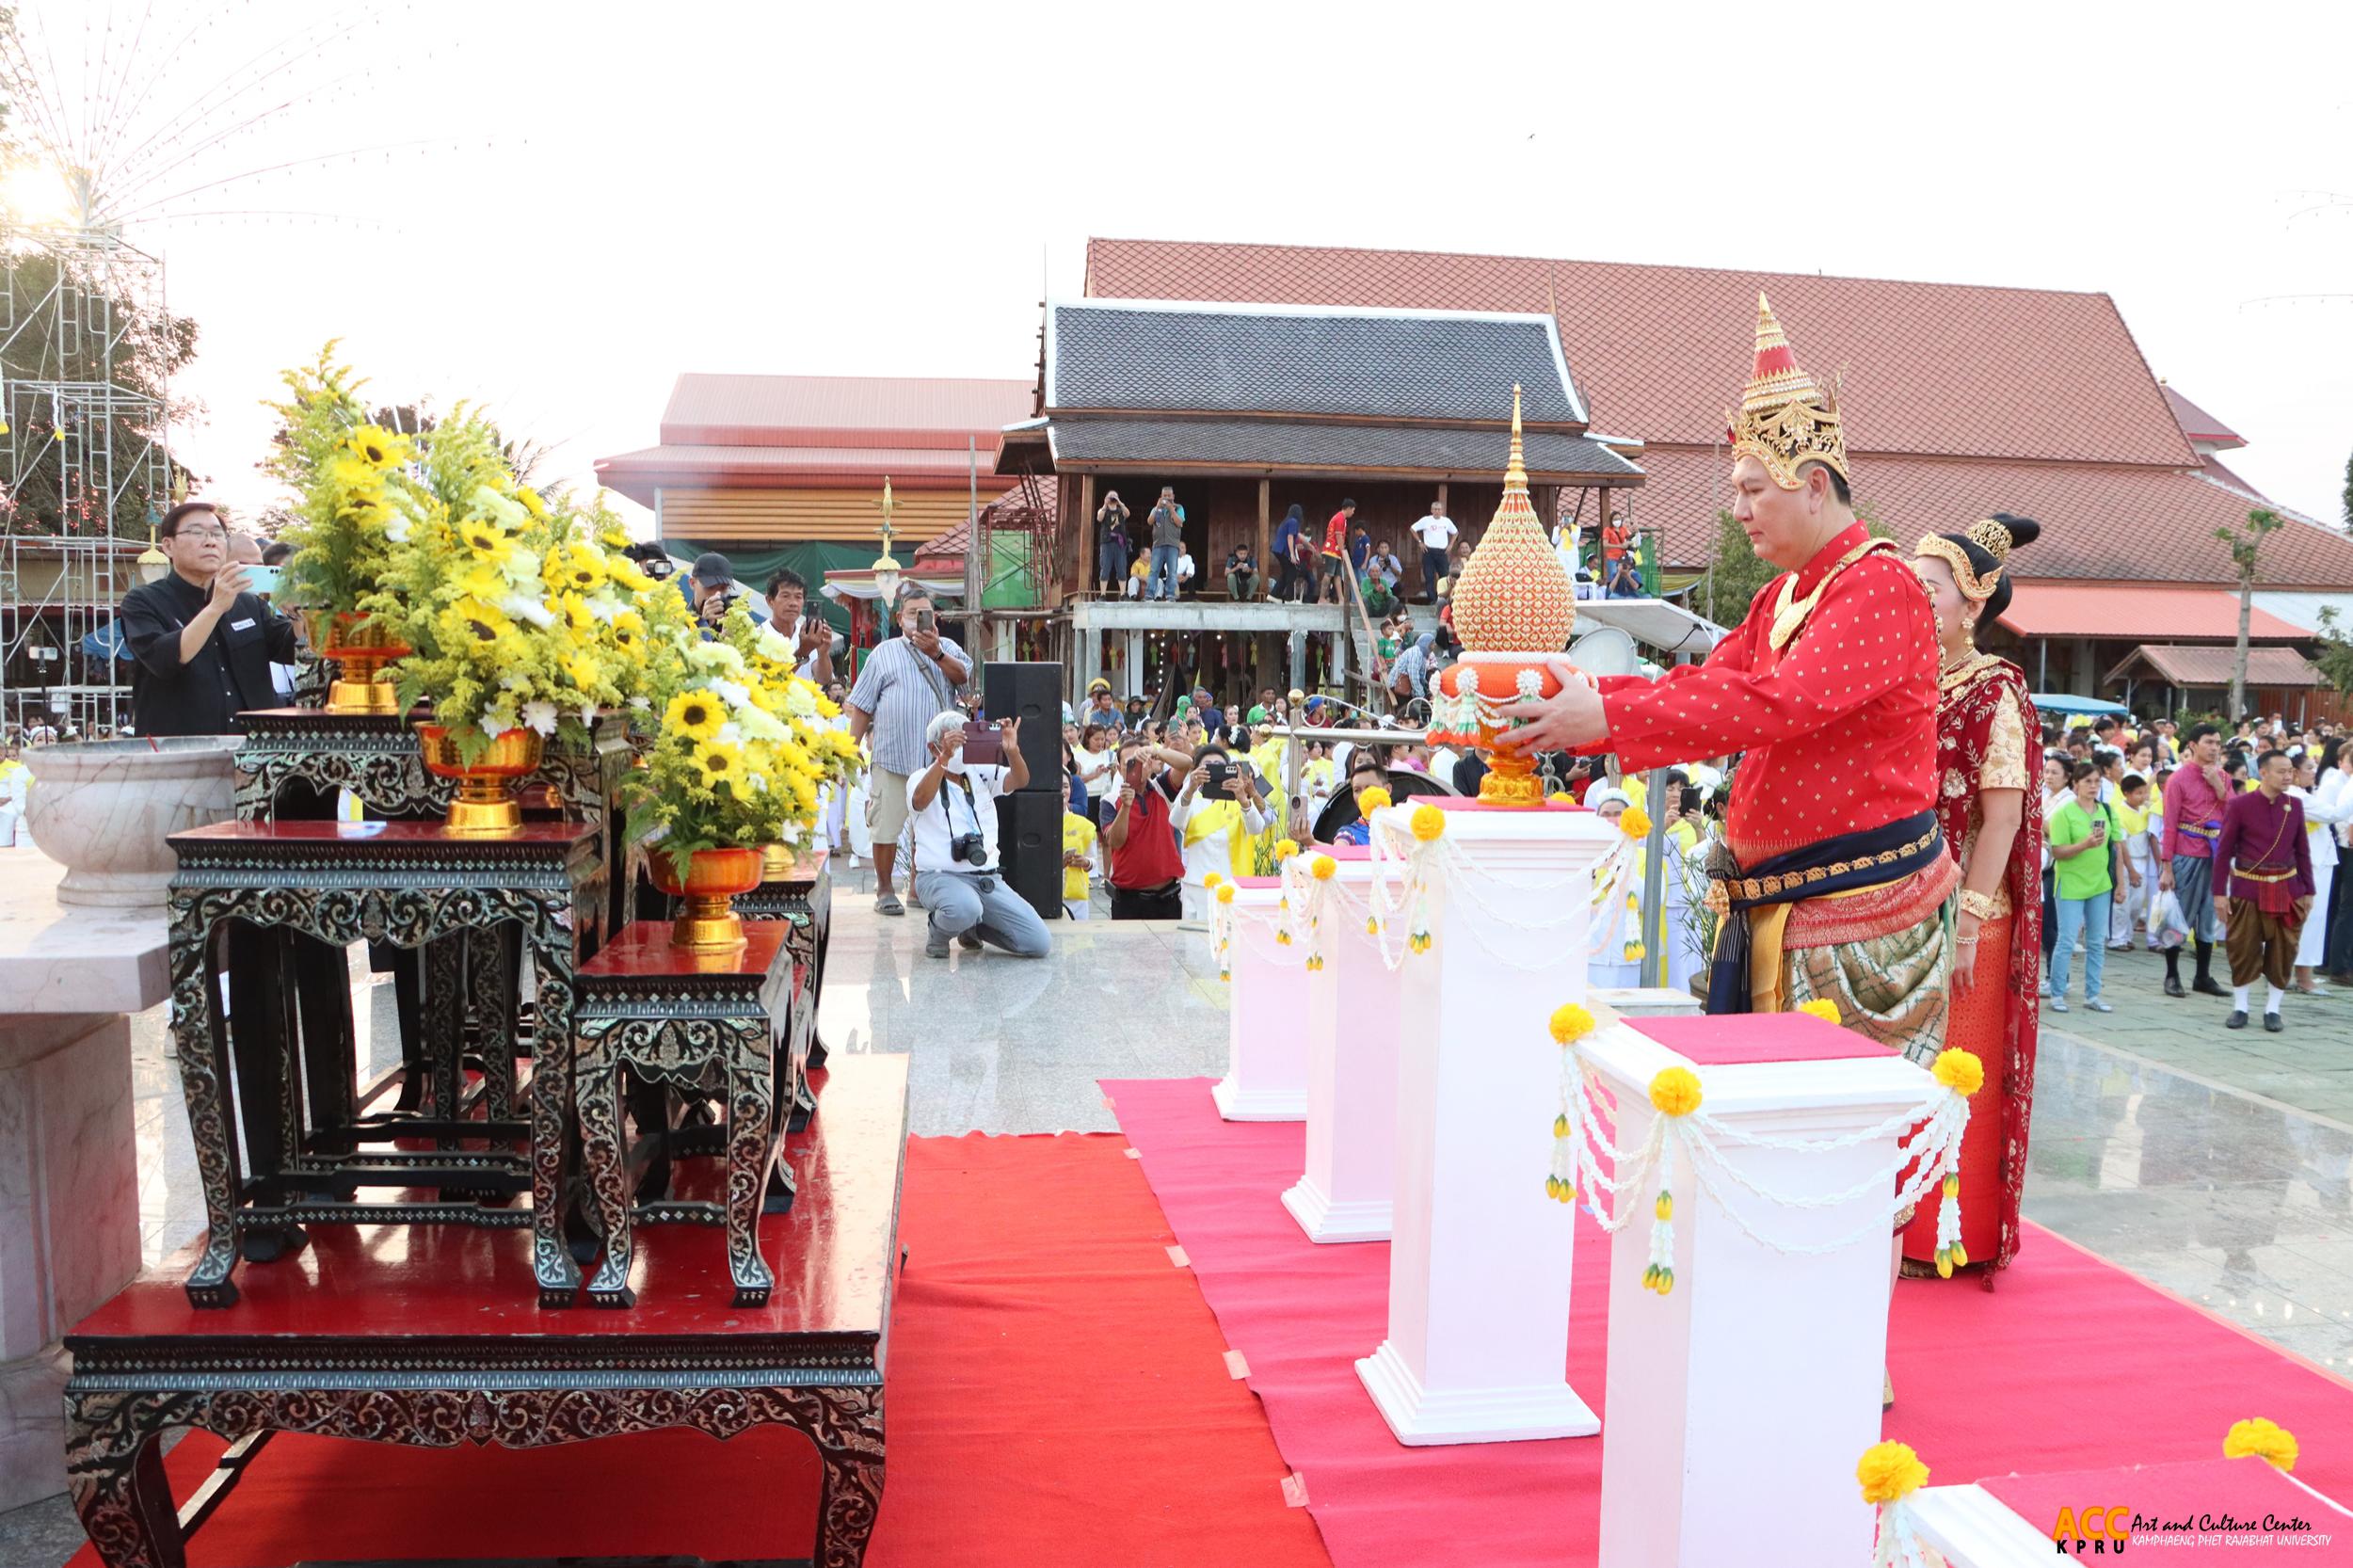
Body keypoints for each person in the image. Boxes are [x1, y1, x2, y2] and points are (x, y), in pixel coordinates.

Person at [1502, 296, 1955, 1060]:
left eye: (1752, 489)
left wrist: (1606, 719)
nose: (1739, 510)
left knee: (1825, 1141)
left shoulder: (1878, 585)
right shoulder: (1782, 593)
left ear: (1814, 484)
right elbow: (1711, 685)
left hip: (1851, 916)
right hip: (1777, 902)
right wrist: (1588, 698)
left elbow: (1779, 702)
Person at [1905, 513, 2044, 1279]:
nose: (1917, 601)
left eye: (1931, 590)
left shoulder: (1996, 690)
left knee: (1956, 1075)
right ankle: (1899, 1225)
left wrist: (1965, 922)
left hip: (1970, 915)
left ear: (1973, 606)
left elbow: (2003, 817)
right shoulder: (1909, 679)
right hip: (1906, 902)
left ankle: (1950, 1235)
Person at [119, 501, 300, 736]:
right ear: (168, 546)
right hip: (180, 754)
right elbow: (165, 659)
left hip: (252, 751)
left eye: (217, 534)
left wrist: (297, 612)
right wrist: (216, 607)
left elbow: (293, 650)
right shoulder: (143, 601)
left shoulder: (250, 604)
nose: (210, 541)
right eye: (196, 532)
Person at [844, 586, 970, 917]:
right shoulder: (883, 653)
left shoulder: (950, 649)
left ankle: (917, 886)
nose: (917, 619)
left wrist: (937, 654)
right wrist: (850, 748)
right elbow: (861, 706)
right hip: (892, 756)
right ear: (900, 619)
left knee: (930, 827)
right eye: (911, 613)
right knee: (885, 826)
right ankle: (884, 889)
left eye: (923, 612)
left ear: (934, 616)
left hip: (937, 761)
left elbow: (965, 680)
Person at [906, 712, 1050, 960]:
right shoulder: (920, 777)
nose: (959, 750)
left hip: (987, 878)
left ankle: (973, 927)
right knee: (964, 907)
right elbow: (919, 800)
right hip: (940, 877)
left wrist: (1012, 751)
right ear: (933, 747)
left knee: (1038, 943)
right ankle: (938, 933)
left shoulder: (979, 773)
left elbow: (1020, 779)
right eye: (952, 743)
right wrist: (944, 759)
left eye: (963, 742)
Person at [2214, 749, 2313, 1032]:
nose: (2287, 776)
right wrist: (2219, 893)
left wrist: (2309, 890)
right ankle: (2241, 1007)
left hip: (2288, 888)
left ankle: (2273, 1009)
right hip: (2248, 888)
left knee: (2284, 949)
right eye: (2281, 771)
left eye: (2290, 771)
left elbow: (2302, 851)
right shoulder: (2240, 805)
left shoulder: (2294, 805)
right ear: (2263, 773)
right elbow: (2223, 853)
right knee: (2242, 947)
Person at [2158, 722, 2232, 999]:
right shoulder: (2178, 779)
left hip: (2215, 853)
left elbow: (2235, 811)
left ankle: (2203, 975)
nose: (2214, 748)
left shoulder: (2222, 777)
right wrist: (2167, 866)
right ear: (2192, 745)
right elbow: (2169, 823)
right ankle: (2172, 974)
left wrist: (2218, 785)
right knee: (2179, 915)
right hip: (2186, 852)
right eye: (2209, 742)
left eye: (2217, 743)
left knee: (2209, 916)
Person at [1172, 743, 1273, 923]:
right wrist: (1190, 789)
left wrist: (1243, 799)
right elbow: (1176, 821)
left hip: (1230, 886)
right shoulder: (1191, 795)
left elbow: (1257, 828)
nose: (1212, 769)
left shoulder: (1237, 797)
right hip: (1197, 886)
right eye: (1207, 765)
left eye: (1218, 765)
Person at [2047, 762, 2117, 1014]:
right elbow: (2058, 851)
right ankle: (2057, 992)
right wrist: (2084, 845)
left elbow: (2116, 845)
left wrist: (2121, 880)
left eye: (2097, 782)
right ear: (2075, 784)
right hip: (2071, 883)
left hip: (2100, 884)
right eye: (2087, 782)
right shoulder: (2064, 814)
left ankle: (2093, 994)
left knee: (2097, 941)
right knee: (2067, 940)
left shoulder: (2106, 811)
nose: (2092, 787)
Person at [1100, 735, 1191, 919]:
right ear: (1119, 768)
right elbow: (1115, 842)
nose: (1137, 768)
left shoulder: (1161, 789)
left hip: (1166, 896)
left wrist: (1155, 751)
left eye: (1141, 761)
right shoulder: (1110, 800)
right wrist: (1126, 806)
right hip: (1128, 900)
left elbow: (1186, 763)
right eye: (1130, 763)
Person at [2291, 750, 2347, 994]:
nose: (2315, 772)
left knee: (2311, 920)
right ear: (2294, 773)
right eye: (2309, 768)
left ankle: (2297, 974)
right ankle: (2304, 978)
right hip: (2311, 864)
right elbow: (2336, 814)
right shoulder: (2296, 796)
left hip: (2317, 862)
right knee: (2311, 920)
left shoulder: (2302, 794)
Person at [763, 568, 838, 682]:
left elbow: (824, 679)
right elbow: (772, 681)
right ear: (769, 600)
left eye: (798, 597)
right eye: (785, 596)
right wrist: (803, 652)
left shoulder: (808, 634)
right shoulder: (758, 636)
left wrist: (823, 652)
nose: (793, 603)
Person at [2108, 774, 2156, 950]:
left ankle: (2128, 936)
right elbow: (2121, 846)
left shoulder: (2145, 811)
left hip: (2143, 861)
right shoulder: (2119, 813)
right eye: (2138, 793)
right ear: (2126, 793)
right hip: (2126, 863)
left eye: (2144, 792)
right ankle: (2117, 938)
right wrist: (2131, 869)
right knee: (2122, 903)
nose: (2143, 796)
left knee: (2136, 905)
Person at [689, 552, 770, 630]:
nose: (717, 594)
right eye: (710, 587)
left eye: (723, 588)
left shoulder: (735, 612)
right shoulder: (680, 620)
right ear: (693, 583)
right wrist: (704, 625)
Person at [1330, 753, 1390, 846]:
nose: (1363, 795)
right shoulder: (1349, 833)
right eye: (1357, 790)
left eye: (1369, 788)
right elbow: (1339, 849)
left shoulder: (1405, 823)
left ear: (1387, 789)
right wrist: (1311, 842)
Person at [1411, 499, 1457, 604]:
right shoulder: (1426, 520)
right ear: (1431, 510)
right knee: (1429, 576)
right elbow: (1413, 529)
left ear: (1442, 510)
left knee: (1444, 575)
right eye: (1435, 509)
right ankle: (1432, 599)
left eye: (1439, 509)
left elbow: (1455, 532)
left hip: (1442, 552)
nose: (1437, 511)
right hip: (1429, 551)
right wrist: (1420, 542)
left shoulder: (1446, 521)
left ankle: (1444, 598)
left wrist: (1451, 544)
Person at [1146, 487, 1185, 601]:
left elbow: (1180, 523)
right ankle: (1149, 594)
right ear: (1161, 496)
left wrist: (1171, 510)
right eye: (1165, 495)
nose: (1167, 498)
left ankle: (1170, 595)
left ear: (1173, 496)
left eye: (1169, 495)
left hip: (1172, 544)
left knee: (1172, 571)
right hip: (1158, 544)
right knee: (1154, 570)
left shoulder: (1179, 508)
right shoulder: (1156, 508)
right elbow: (1150, 521)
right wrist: (1158, 507)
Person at [1062, 799, 1098, 920]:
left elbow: (1093, 861)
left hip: (1076, 899)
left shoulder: (1084, 825)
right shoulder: (1038, 821)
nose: (1062, 790)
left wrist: (1086, 862)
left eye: (1066, 786)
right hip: (1045, 895)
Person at [1273, 504, 1316, 603]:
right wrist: (1292, 554)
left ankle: (1274, 595)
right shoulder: (1293, 521)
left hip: (1278, 549)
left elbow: (1299, 536)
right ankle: (1290, 599)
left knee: (1287, 572)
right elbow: (1290, 537)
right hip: (1283, 550)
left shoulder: (1287, 521)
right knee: (1292, 571)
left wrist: (1310, 547)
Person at [1321, 500, 1357, 604]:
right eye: (1353, 510)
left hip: (1335, 551)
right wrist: (1343, 551)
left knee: (1337, 576)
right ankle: (1321, 598)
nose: (1353, 513)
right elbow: (1338, 536)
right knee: (1328, 574)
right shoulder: (1340, 518)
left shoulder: (1340, 518)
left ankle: (1341, 599)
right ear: (1349, 508)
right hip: (1332, 550)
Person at [1096, 490, 1132, 595]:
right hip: (1106, 542)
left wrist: (1119, 502)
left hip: (1120, 543)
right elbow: (1099, 518)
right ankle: (1102, 594)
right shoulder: (1103, 510)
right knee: (1105, 567)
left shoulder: (1121, 510)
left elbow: (1128, 514)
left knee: (1121, 567)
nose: (1112, 498)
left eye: (1114, 496)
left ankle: (1122, 594)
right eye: (1110, 496)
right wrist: (1105, 504)